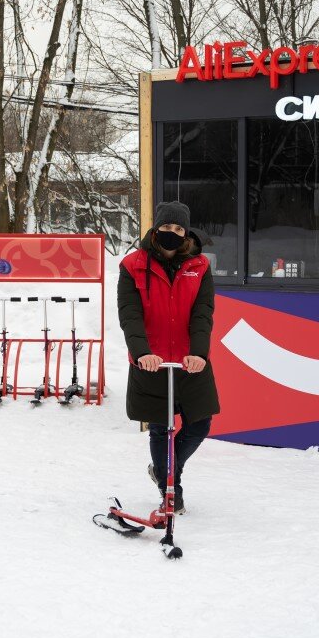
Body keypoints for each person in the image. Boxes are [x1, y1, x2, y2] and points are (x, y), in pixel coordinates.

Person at [117, 200, 220, 515]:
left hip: (190, 362)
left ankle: (165, 468)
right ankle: (170, 490)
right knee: (161, 428)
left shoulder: (199, 267)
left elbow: (203, 314)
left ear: (185, 232)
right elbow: (130, 315)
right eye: (166, 227)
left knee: (200, 423)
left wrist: (198, 353)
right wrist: (142, 352)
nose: (172, 233)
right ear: (156, 228)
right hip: (153, 361)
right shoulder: (132, 266)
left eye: (178, 228)